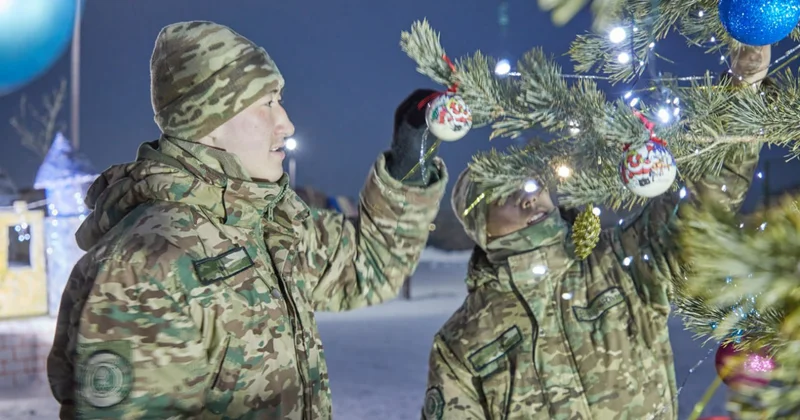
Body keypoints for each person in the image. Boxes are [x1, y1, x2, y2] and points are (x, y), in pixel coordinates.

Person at [47, 21, 448, 419]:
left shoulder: (269, 226)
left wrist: (407, 168)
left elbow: (368, 265)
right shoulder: (144, 267)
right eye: (267, 102)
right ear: (210, 121)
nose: (286, 123)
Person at [420, 45, 770, 420]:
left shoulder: (618, 264)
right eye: (502, 195)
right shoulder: (461, 340)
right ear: (479, 227)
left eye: (529, 183)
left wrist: (742, 86)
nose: (527, 197)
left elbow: (698, 206)